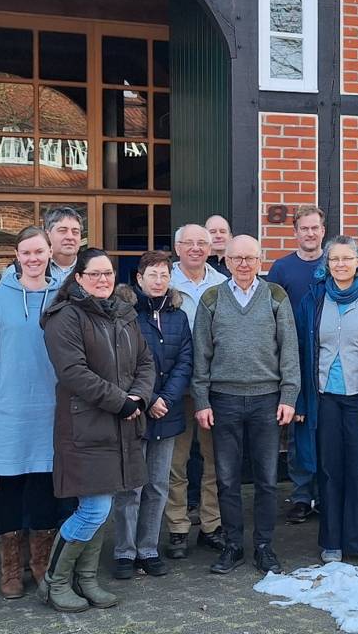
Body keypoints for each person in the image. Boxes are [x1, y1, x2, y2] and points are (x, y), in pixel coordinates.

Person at [38, 249, 155, 613]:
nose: (103, 280)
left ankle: (87, 580)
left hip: (122, 423)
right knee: (93, 508)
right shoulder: (65, 317)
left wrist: (139, 396)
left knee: (101, 507)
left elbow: (146, 361)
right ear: (78, 277)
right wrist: (123, 401)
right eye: (95, 274)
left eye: (108, 273)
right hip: (86, 425)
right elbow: (73, 373)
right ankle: (53, 581)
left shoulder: (122, 313)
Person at [193, 235, 300, 574]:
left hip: (266, 401)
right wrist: (201, 399)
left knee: (267, 478)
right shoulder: (212, 298)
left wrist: (289, 396)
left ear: (260, 260)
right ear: (225, 260)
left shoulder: (276, 296)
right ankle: (234, 545)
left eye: (250, 258)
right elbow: (201, 355)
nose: (243, 264)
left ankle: (265, 546)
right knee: (226, 478)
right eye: (236, 258)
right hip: (223, 401)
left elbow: (289, 351)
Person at [292, 236, 358, 568]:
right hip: (324, 400)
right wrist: (299, 402)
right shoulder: (313, 300)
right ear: (327, 265)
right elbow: (299, 354)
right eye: (334, 259)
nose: (340, 264)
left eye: (346, 258)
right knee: (329, 469)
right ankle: (332, 541)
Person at [0, 227, 67, 599]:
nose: (33, 258)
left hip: (51, 404)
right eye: (26, 252)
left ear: (49, 252)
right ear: (16, 255)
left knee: (44, 483)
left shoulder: (64, 293)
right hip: (8, 407)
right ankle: (10, 568)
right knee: (10, 485)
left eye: (39, 252)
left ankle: (39, 563)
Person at [110, 252, 193, 579]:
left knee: (159, 485)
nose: (159, 281)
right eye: (153, 275)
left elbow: (186, 360)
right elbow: (122, 364)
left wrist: (168, 398)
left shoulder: (178, 315)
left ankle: (148, 549)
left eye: (164, 275)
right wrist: (151, 398)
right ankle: (124, 552)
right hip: (136, 411)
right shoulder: (124, 315)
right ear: (139, 278)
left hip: (168, 414)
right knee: (131, 487)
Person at [164, 224, 228, 559]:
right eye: (188, 243)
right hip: (175, 387)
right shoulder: (164, 281)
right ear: (177, 248)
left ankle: (211, 525)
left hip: (212, 386)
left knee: (212, 460)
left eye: (202, 243)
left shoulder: (221, 283)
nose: (195, 248)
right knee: (175, 462)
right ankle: (177, 527)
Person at [266, 205, 325, 524]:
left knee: (326, 429)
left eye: (315, 228)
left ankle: (326, 494)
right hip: (293, 359)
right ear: (295, 232)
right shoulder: (281, 269)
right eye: (304, 228)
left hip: (329, 359)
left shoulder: (334, 264)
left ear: (323, 231)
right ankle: (302, 495)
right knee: (298, 430)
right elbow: (270, 314)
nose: (310, 233)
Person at [45, 206, 86, 278]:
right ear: (48, 234)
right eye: (62, 231)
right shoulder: (34, 266)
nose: (70, 237)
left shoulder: (90, 268)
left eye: (75, 232)